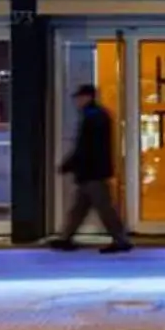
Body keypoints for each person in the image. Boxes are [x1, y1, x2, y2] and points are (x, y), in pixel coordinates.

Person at [51, 82, 134, 253]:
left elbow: (85, 146)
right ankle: (65, 237)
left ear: (88, 97)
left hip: (92, 172)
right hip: (92, 171)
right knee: (79, 208)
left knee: (104, 208)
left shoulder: (92, 117)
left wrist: (69, 164)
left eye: (79, 98)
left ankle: (120, 240)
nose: (77, 101)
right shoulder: (98, 115)